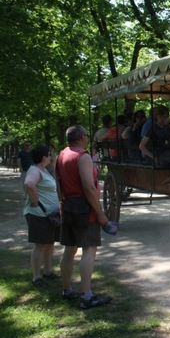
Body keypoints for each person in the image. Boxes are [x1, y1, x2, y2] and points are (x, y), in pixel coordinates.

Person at [55, 125, 112, 309]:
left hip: (68, 208)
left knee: (69, 250)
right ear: (81, 138)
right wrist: (100, 213)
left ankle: (67, 290)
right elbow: (88, 187)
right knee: (89, 249)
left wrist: (63, 205)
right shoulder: (83, 156)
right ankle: (86, 296)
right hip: (85, 210)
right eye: (86, 136)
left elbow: (59, 185)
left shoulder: (61, 155)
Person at [23, 145, 61, 287]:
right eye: (49, 155)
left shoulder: (44, 170)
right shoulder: (35, 170)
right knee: (40, 245)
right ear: (44, 158)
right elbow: (28, 184)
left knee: (49, 243)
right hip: (39, 214)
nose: (51, 156)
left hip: (48, 215)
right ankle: (36, 277)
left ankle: (48, 271)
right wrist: (36, 202)